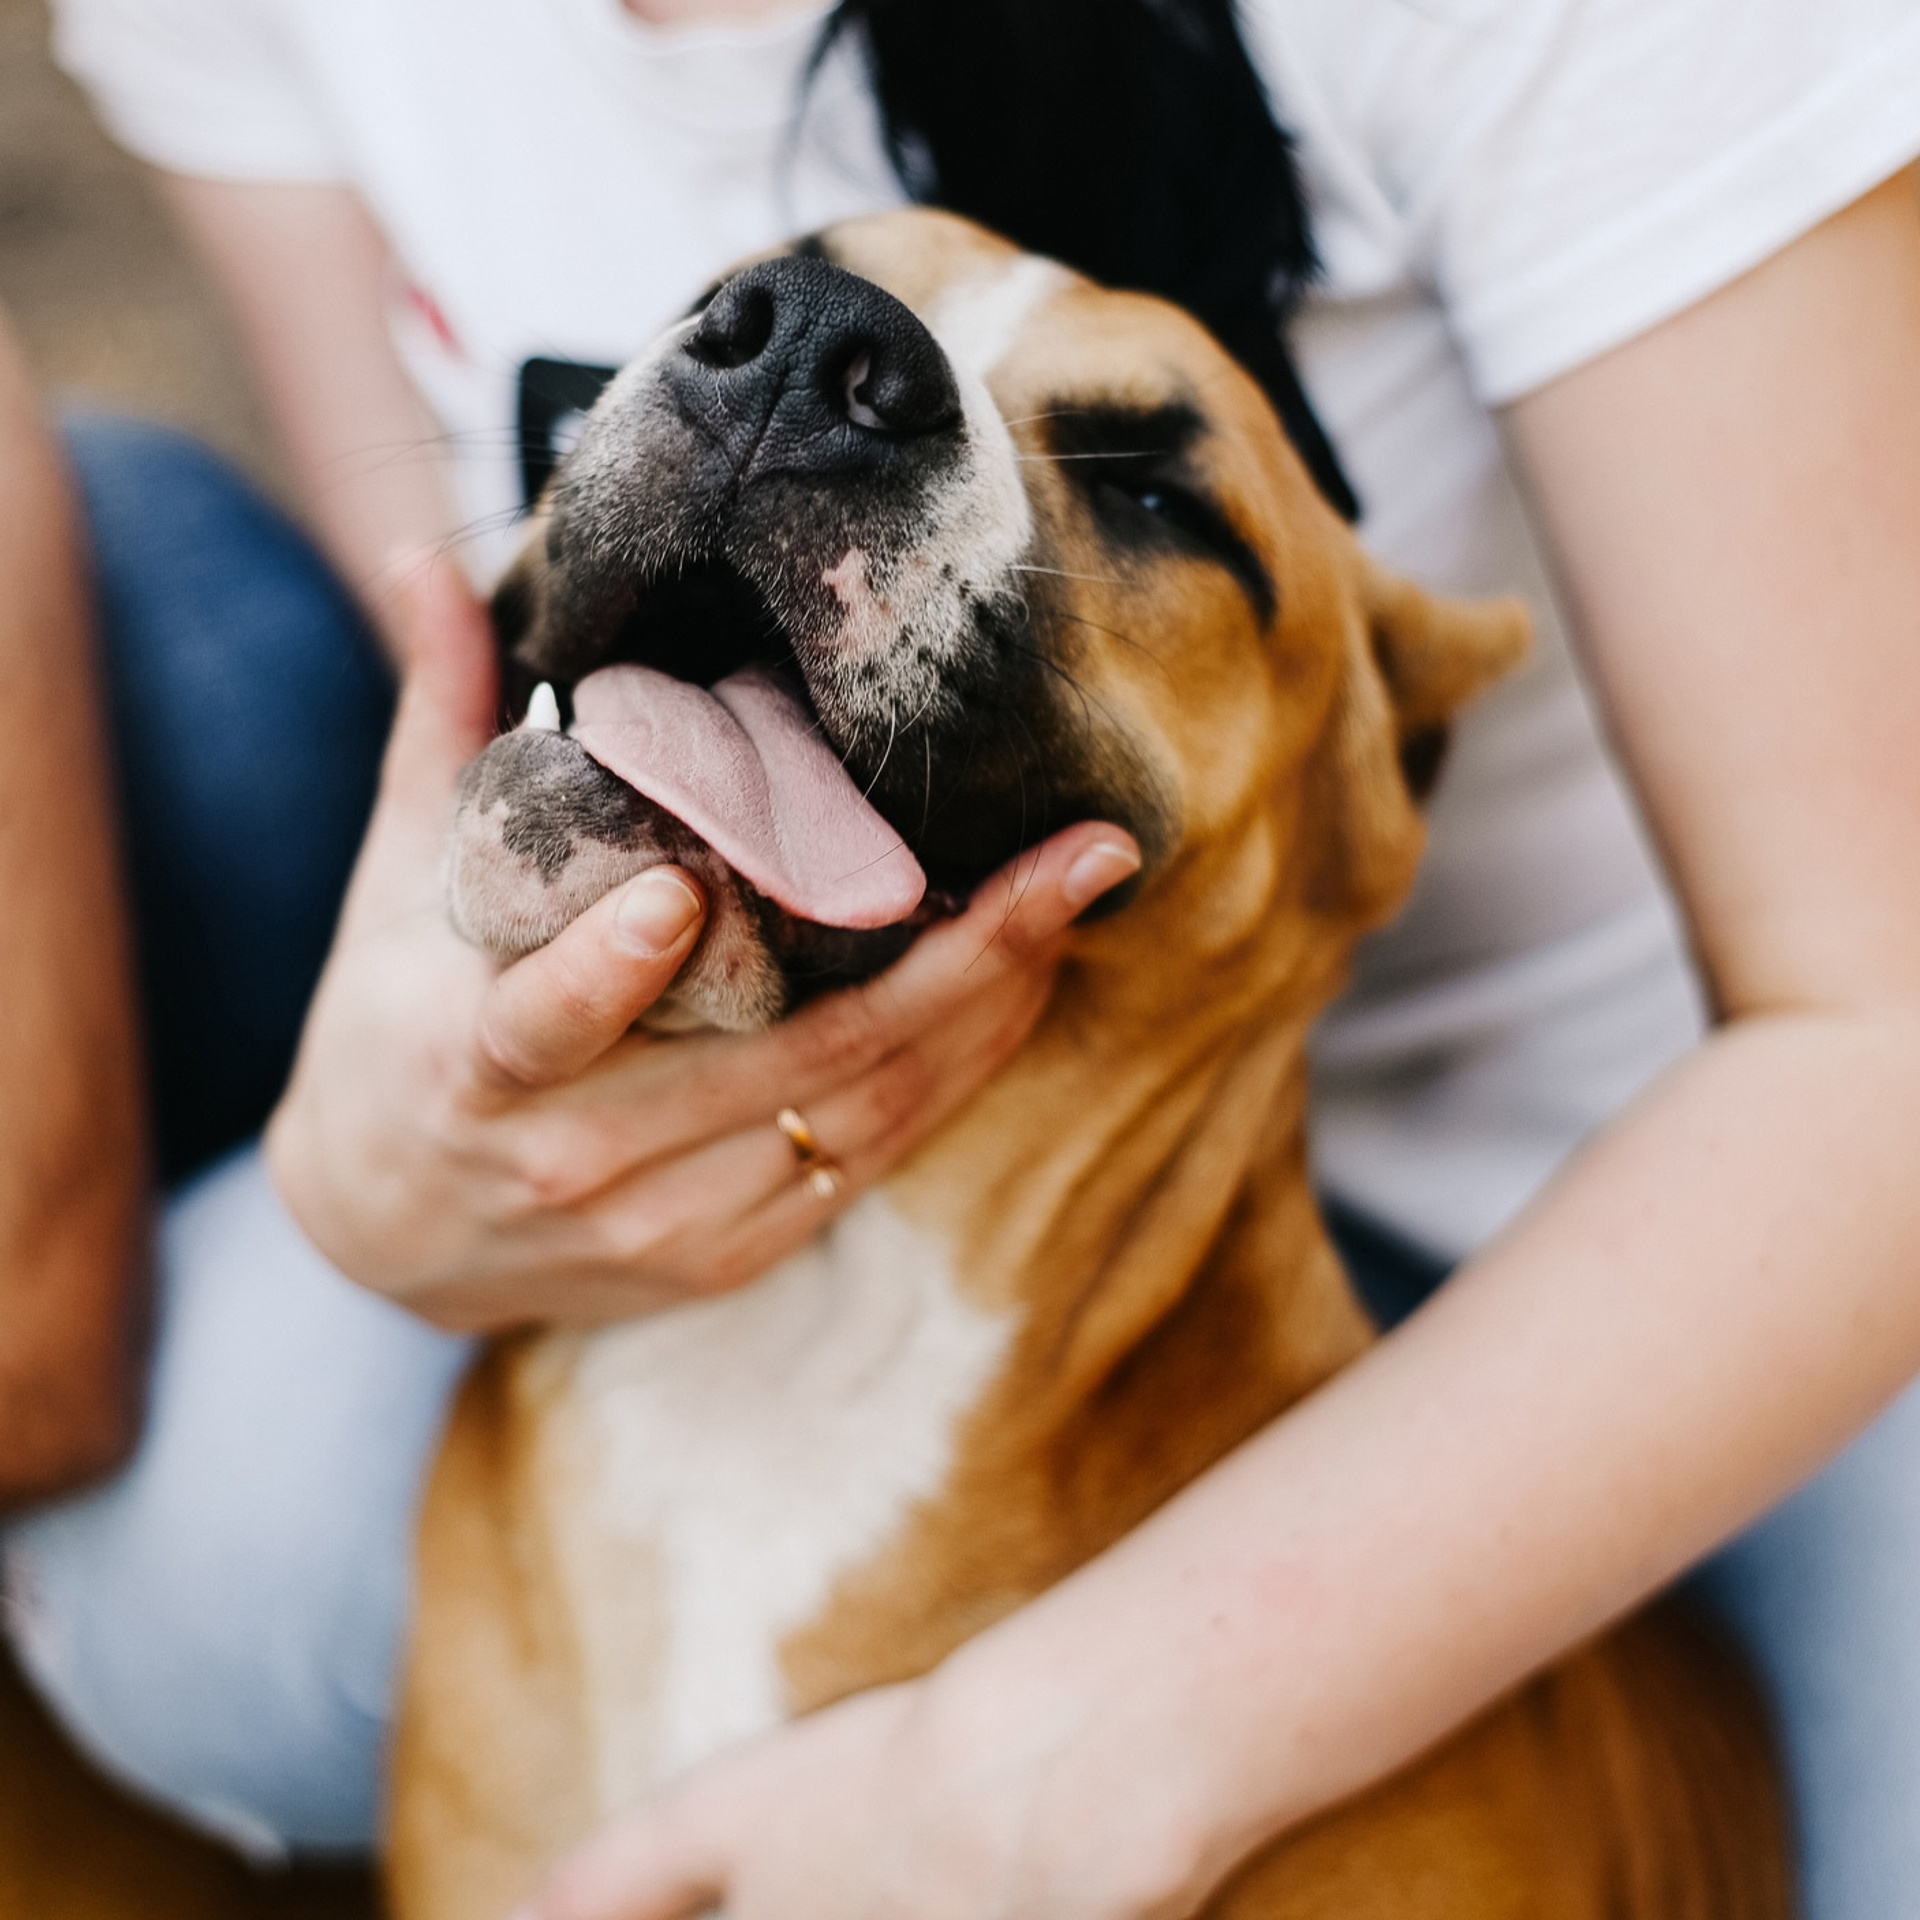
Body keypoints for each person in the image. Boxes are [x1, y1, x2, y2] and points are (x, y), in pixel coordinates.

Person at [3, 1, 1920, 1915]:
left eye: (1155, 496)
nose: (792, 371)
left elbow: (1883, 1031)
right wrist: (380, 1147)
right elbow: (469, 621)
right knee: (204, 1571)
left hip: (1696, 1188)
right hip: (802, 1204)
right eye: (751, 321)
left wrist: (1097, 1737)